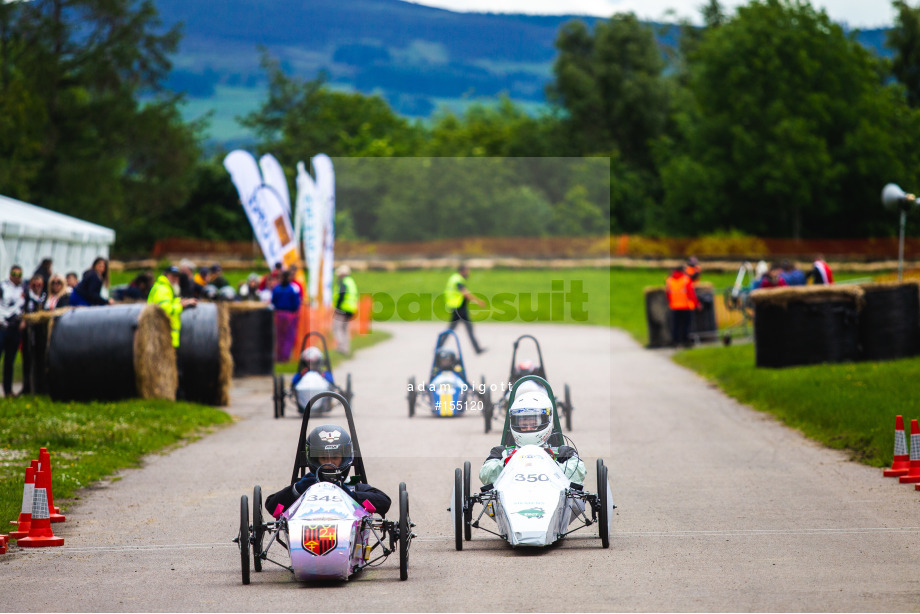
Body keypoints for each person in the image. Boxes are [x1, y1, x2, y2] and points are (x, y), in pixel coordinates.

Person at [264, 425, 391, 517]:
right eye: (324, 457)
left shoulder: (352, 487)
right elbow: (271, 506)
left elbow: (384, 502)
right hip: (307, 536)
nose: (330, 463)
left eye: (335, 457)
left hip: (348, 540)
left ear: (344, 458)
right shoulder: (306, 485)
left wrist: (350, 497)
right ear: (314, 459)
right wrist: (297, 490)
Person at [480, 386, 586, 486]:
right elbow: (485, 474)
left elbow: (579, 471)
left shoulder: (562, 452)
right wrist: (506, 465)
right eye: (523, 425)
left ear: (546, 420)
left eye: (533, 424)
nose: (529, 428)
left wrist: (553, 466)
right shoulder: (501, 453)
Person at [148, 265, 197, 349]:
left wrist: (181, 301)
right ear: (166, 275)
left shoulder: (165, 287)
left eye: (177, 276)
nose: (176, 279)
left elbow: (168, 303)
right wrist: (181, 305)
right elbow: (165, 310)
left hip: (164, 336)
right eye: (173, 276)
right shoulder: (163, 289)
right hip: (162, 336)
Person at [443, 264, 486, 355]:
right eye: (467, 271)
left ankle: (477, 349)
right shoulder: (458, 280)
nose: (468, 273)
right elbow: (466, 294)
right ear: (462, 271)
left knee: (454, 328)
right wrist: (478, 301)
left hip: (456, 306)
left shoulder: (454, 278)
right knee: (461, 328)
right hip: (459, 307)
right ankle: (477, 349)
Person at [0, 266, 24, 396]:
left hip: (15, 329)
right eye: (14, 273)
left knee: (9, 361)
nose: (16, 276)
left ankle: (8, 390)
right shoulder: (3, 287)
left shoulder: (23, 289)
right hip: (2, 327)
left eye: (19, 274)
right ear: (10, 274)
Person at [20, 275, 46, 395]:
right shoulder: (26, 295)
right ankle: (27, 386)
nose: (37, 286)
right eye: (34, 284)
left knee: (41, 360)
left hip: (41, 332)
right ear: (30, 284)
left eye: (39, 284)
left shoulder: (45, 296)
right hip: (28, 331)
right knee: (27, 359)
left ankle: (40, 387)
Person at [665, 265, 699, 348]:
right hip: (685, 306)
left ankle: (675, 341)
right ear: (682, 271)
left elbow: (668, 293)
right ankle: (685, 341)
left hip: (674, 306)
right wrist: (697, 304)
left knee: (675, 325)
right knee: (686, 325)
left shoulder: (669, 280)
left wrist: (670, 302)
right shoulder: (686, 279)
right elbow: (691, 293)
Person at [272, 270, 302, 363]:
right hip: (289, 315)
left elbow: (273, 301)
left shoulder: (276, 289)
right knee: (288, 336)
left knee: (279, 335)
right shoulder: (292, 289)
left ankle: (280, 356)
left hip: (278, 314)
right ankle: (285, 356)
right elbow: (296, 303)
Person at [333, 265, 358, 356]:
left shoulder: (344, 283)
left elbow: (341, 296)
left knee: (337, 328)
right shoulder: (351, 282)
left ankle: (341, 347)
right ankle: (346, 348)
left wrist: (337, 308)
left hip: (342, 308)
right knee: (345, 329)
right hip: (350, 309)